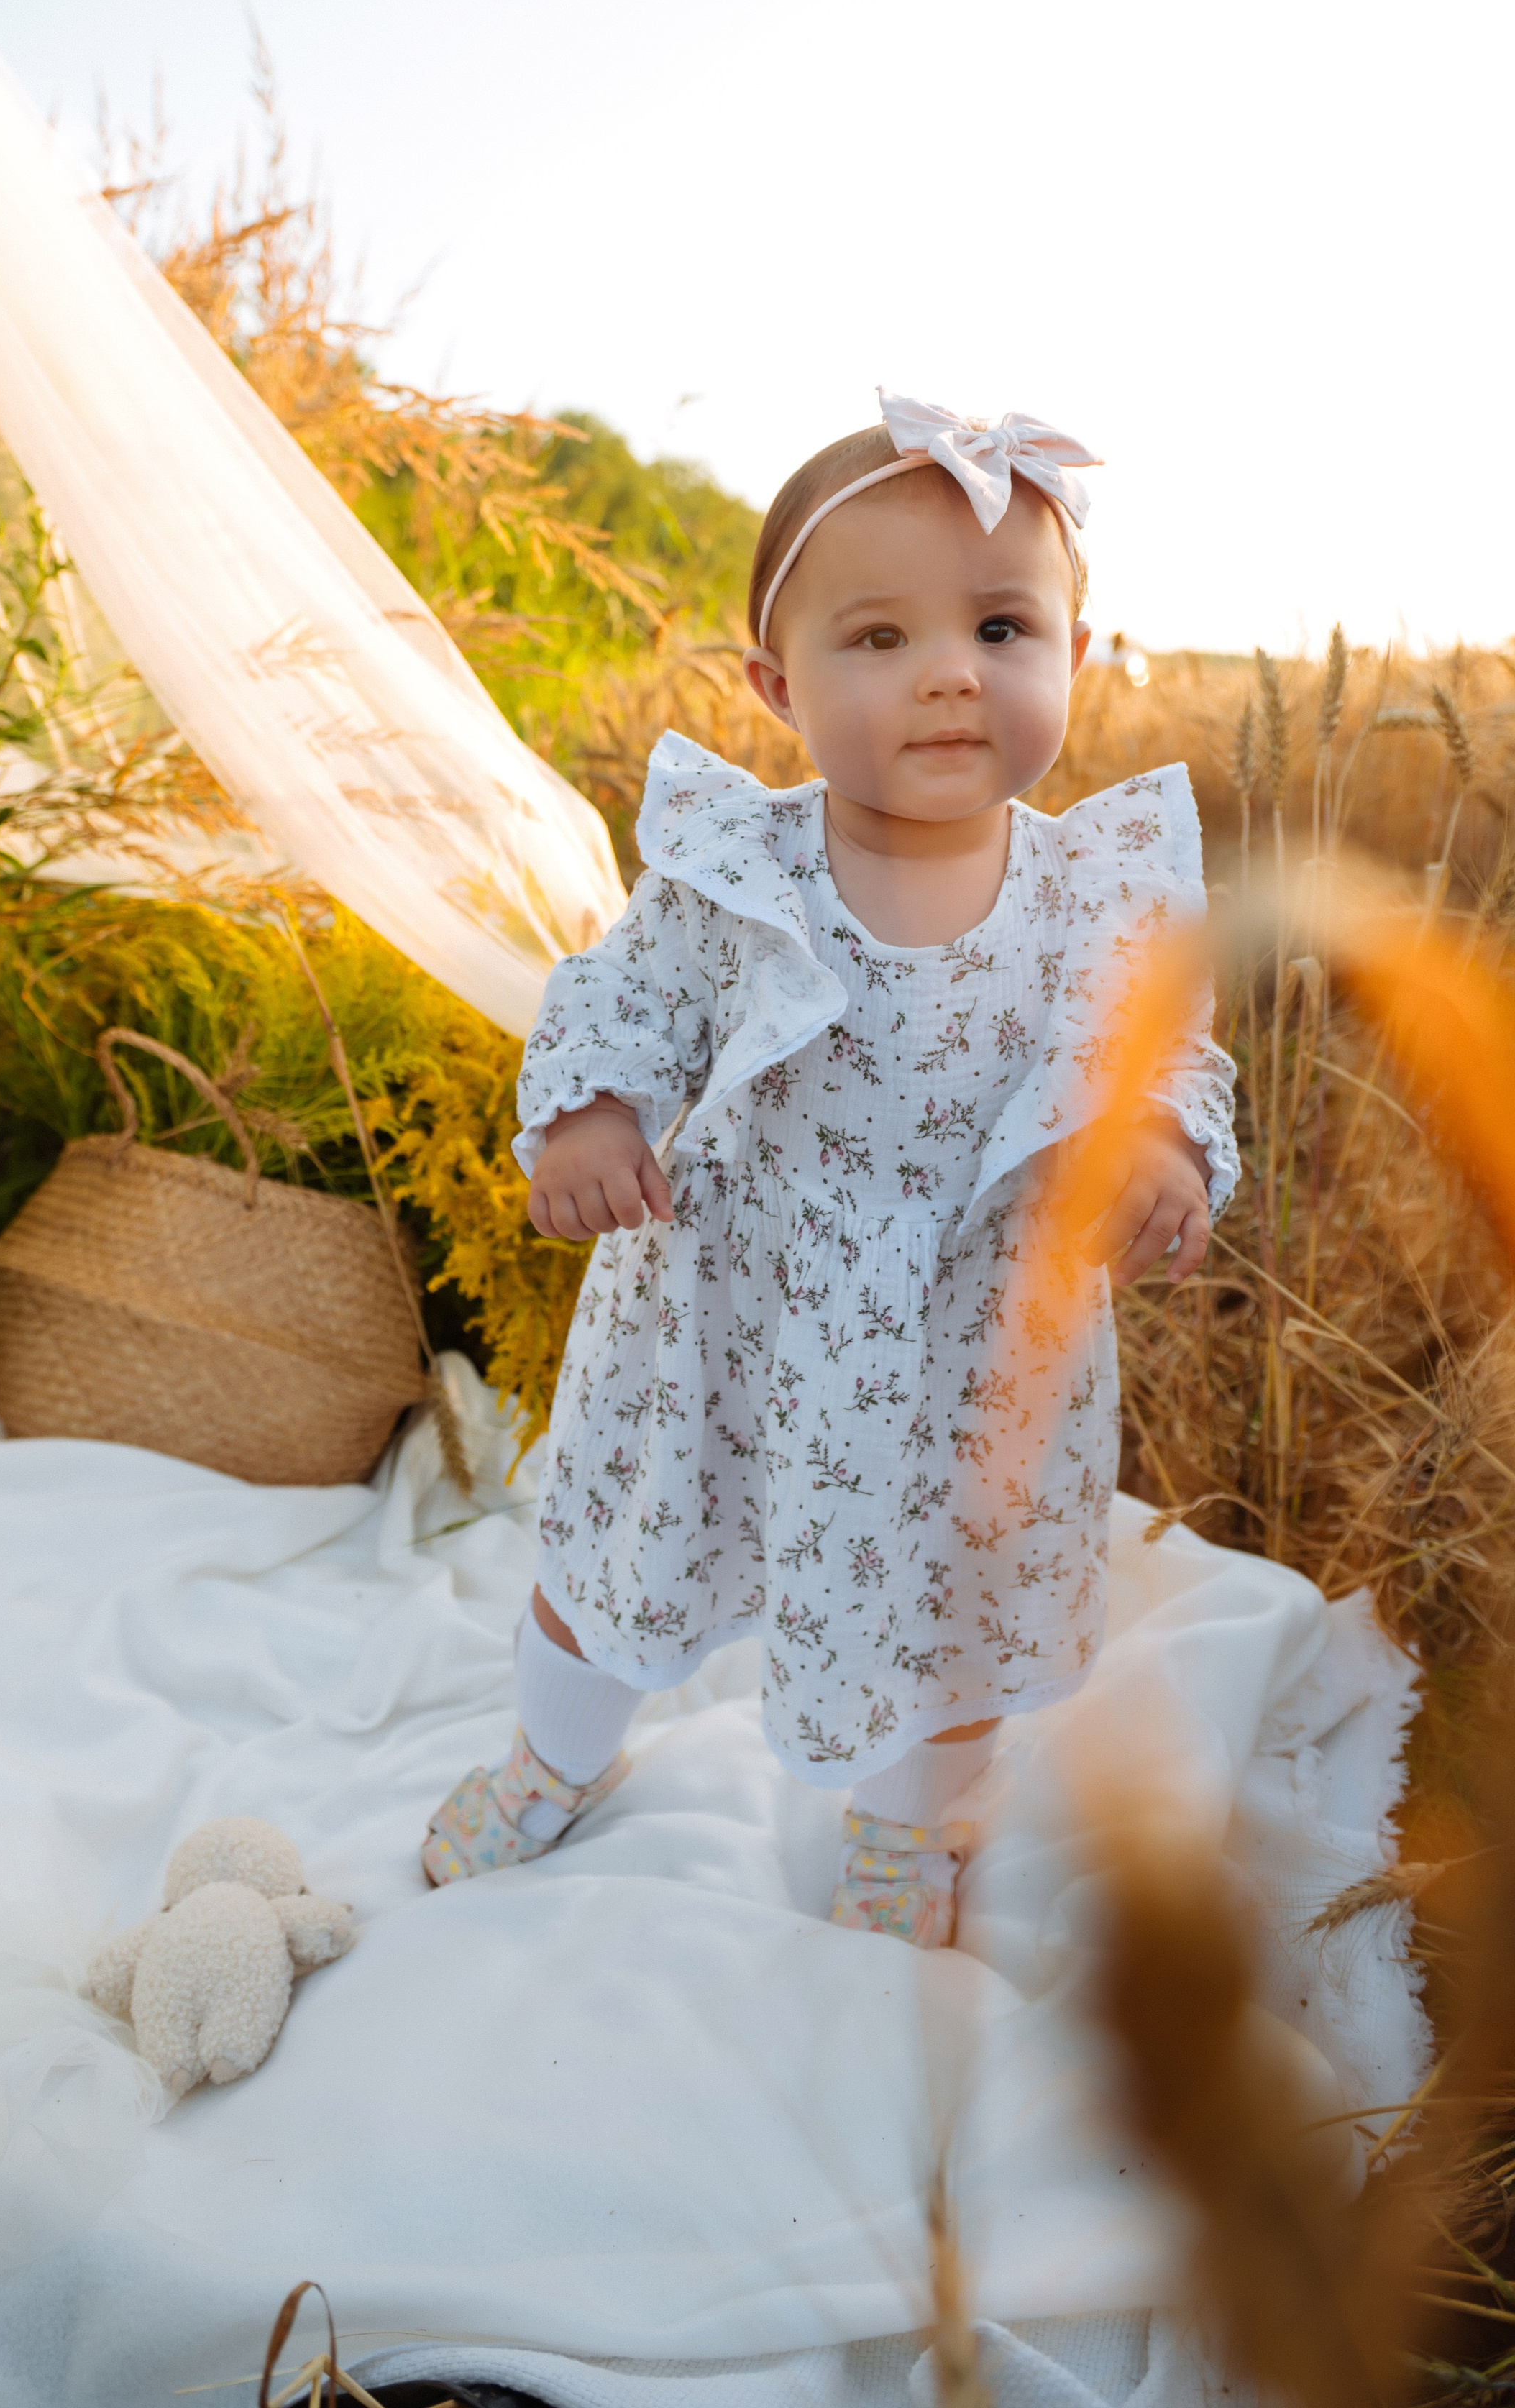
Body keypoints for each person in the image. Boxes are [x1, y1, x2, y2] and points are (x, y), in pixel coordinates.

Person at [421, 394, 1237, 1945]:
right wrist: (593, 1110)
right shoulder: (737, 867)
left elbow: (1167, 1052)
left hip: (968, 1348)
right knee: (620, 1557)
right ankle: (551, 1754)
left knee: (950, 1617)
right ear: (772, 683)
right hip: (725, 1320)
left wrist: (1155, 1142)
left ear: (1078, 654)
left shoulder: (1094, 895)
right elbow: (621, 996)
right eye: (877, 638)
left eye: (1001, 626)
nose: (948, 670)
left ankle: (906, 1835)